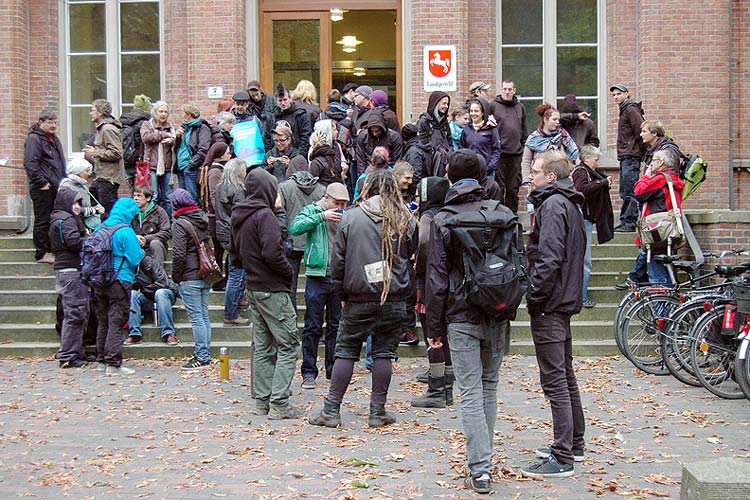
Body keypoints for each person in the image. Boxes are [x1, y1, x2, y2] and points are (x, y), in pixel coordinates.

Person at [425, 150, 513, 494]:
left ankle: (481, 468)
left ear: (449, 176)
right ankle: (483, 462)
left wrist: (433, 328)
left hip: (461, 314)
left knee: (473, 391)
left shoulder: (444, 220)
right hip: (498, 309)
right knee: (488, 386)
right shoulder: (503, 214)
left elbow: (436, 279)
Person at [309, 169, 417, 429]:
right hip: (393, 296)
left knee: (345, 351)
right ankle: (377, 411)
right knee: (384, 353)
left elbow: (338, 260)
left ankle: (331, 410)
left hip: (358, 295)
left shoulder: (351, 217)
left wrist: (342, 293)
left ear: (368, 187)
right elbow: (413, 252)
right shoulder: (405, 217)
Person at [522, 150, 586, 479]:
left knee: (556, 380)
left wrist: (535, 295)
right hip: (563, 299)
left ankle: (562, 455)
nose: (530, 175)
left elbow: (548, 257)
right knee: (566, 375)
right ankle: (574, 442)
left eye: (534, 170)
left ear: (550, 176)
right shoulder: (570, 203)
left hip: (551, 303)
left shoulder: (553, 205)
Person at [231, 168, 302, 419]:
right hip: (272, 289)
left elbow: (235, 257)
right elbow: (273, 253)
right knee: (288, 345)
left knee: (262, 346)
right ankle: (279, 403)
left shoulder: (240, 215)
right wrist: (287, 273)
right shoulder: (265, 216)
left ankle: (262, 401)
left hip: (253, 287)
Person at [290, 182, 349, 389]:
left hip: (338, 276)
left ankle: (332, 369)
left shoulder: (346, 215)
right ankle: (308, 371)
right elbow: (295, 228)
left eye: (343, 204)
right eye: (336, 203)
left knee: (336, 325)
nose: (340, 208)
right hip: (317, 275)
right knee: (312, 325)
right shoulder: (313, 210)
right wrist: (321, 217)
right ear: (326, 198)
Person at [411, 176, 452, 407]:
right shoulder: (448, 214)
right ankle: (446, 381)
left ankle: (437, 389)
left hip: (428, 285)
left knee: (432, 333)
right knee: (443, 334)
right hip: (446, 283)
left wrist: (419, 263)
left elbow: (424, 242)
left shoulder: (428, 217)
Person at [94, 197, 143, 375]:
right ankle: (113, 363)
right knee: (116, 320)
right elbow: (135, 257)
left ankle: (101, 360)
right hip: (120, 280)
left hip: (99, 280)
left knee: (103, 320)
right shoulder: (125, 231)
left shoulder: (100, 227)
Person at [171, 188, 213, 370]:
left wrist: (176, 276)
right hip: (204, 273)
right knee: (204, 316)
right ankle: (206, 354)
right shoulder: (201, 219)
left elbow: (179, 253)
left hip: (189, 275)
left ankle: (202, 356)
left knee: (197, 318)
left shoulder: (180, 223)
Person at [49, 189, 88, 368]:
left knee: (75, 311)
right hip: (70, 270)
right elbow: (74, 242)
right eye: (75, 203)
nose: (78, 207)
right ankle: (68, 355)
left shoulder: (59, 218)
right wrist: (88, 238)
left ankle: (75, 351)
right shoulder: (66, 220)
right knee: (75, 312)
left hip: (65, 269)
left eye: (79, 204)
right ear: (66, 203)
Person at [571, 145, 614, 309]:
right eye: (595, 159)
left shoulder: (585, 172)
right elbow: (581, 189)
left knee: (583, 260)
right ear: (586, 158)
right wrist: (602, 183)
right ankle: (581, 297)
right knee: (585, 261)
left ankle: (581, 295)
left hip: (586, 218)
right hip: (584, 219)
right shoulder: (581, 172)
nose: (597, 163)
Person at [634, 149, 685, 286]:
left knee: (657, 278)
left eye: (653, 161)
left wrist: (645, 177)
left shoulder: (661, 179)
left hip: (657, 231)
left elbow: (639, 192)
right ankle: (671, 304)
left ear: (661, 162)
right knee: (667, 272)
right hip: (669, 230)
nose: (650, 164)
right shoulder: (674, 180)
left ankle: (662, 307)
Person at [24, 109, 67, 264]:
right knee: (42, 219)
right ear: (41, 122)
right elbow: (30, 163)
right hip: (43, 187)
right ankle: (42, 252)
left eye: (55, 122)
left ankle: (51, 249)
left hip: (55, 186)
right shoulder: (35, 139)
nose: (53, 125)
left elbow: (58, 163)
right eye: (49, 122)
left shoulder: (53, 139)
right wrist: (42, 182)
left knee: (52, 219)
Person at [278, 171, 326, 309]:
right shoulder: (322, 189)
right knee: (316, 286)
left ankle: (291, 316)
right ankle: (313, 317)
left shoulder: (284, 188)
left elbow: (280, 213)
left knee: (290, 285)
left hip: (292, 242)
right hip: (315, 243)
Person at [214, 158, 250, 327]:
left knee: (234, 268)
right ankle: (231, 312)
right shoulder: (237, 189)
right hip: (234, 234)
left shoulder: (221, 186)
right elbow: (241, 214)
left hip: (222, 231)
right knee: (237, 273)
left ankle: (239, 299)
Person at [610, 83, 645, 233]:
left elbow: (641, 132)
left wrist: (640, 152)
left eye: (619, 94)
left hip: (631, 155)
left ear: (626, 94)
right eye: (614, 95)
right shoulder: (625, 109)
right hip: (627, 155)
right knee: (625, 189)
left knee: (630, 189)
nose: (616, 97)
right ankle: (626, 220)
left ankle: (630, 222)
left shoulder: (631, 109)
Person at [83, 99, 126, 220]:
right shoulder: (102, 128)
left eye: (92, 110)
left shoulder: (108, 129)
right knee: (90, 198)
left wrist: (95, 152)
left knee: (108, 213)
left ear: (100, 112)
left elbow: (117, 153)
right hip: (102, 176)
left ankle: (110, 235)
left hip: (109, 178)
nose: (90, 113)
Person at [489, 79, 528, 213]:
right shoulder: (493, 106)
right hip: (499, 154)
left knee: (513, 188)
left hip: (516, 155)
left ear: (514, 91)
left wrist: (522, 148)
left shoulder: (520, 107)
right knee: (499, 188)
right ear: (501, 90)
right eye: (505, 89)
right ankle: (499, 218)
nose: (507, 92)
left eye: (510, 89)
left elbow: (524, 130)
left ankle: (512, 218)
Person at [127, 254, 180, 345]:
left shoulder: (149, 262)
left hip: (166, 294)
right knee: (132, 294)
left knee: (160, 293)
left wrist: (144, 290)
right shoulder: (127, 267)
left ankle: (169, 333)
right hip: (148, 297)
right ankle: (135, 334)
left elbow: (163, 283)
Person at [521, 103, 579, 185]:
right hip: (540, 180)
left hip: (561, 180)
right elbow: (526, 161)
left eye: (558, 120)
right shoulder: (533, 139)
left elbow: (575, 157)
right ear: (545, 119)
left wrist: (573, 176)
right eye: (554, 119)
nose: (557, 122)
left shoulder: (564, 136)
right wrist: (526, 181)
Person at [140, 100, 176, 218]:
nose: (163, 114)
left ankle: (168, 222)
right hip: (151, 166)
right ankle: (153, 221)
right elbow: (146, 138)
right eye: (161, 111)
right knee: (153, 195)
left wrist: (174, 140)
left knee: (167, 197)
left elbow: (175, 142)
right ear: (155, 112)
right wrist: (164, 135)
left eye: (166, 112)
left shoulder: (170, 127)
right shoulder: (147, 125)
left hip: (167, 166)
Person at [174, 103, 211, 203]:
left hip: (190, 168)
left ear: (189, 114)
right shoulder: (185, 128)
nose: (182, 116)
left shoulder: (202, 128)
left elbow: (203, 149)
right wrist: (178, 138)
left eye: (183, 114)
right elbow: (176, 149)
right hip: (181, 167)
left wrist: (192, 164)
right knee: (182, 198)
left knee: (191, 198)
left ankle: (195, 218)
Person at [58, 157, 104, 232]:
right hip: (72, 226)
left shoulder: (83, 185)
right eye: (87, 171)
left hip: (83, 225)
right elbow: (74, 209)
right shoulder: (66, 186)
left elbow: (84, 206)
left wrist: (95, 208)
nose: (89, 174)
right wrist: (95, 210)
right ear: (78, 171)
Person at [354, 109, 403, 179]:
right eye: (372, 131)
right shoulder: (363, 137)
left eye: (377, 131)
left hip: (388, 174)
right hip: (368, 173)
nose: (375, 133)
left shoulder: (394, 137)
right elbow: (361, 161)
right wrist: (363, 179)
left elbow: (397, 160)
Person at [460, 99, 501, 180]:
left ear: (482, 113)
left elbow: (496, 150)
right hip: (469, 172)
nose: (473, 114)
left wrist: (489, 168)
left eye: (476, 111)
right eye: (471, 111)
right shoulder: (466, 129)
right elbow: (461, 149)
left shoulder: (491, 129)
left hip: (487, 173)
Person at [131, 184, 171, 267]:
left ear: (148, 198)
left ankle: (159, 276)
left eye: (139, 196)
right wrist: (134, 237)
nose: (135, 198)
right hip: (137, 247)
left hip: (155, 248)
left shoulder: (160, 212)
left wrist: (146, 239)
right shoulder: (131, 213)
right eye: (134, 196)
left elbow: (166, 232)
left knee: (155, 243)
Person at [416, 91, 452, 178]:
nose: (446, 107)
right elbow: (420, 143)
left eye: (447, 104)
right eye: (444, 103)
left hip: (445, 165)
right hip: (430, 166)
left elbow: (450, 142)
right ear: (436, 104)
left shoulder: (445, 123)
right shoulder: (424, 122)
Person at [119, 94, 152, 185]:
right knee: (142, 191)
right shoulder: (144, 122)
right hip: (140, 161)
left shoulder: (125, 120)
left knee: (134, 191)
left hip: (127, 159)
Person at [274, 82, 313, 158]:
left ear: (290, 98)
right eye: (280, 101)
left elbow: (305, 137)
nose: (283, 103)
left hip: (296, 154)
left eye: (285, 100)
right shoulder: (273, 115)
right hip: (278, 156)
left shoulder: (300, 114)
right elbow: (269, 138)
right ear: (276, 101)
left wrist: (298, 156)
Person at [401, 123, 432, 189]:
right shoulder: (422, 146)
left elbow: (415, 174)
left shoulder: (414, 151)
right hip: (424, 184)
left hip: (417, 188)